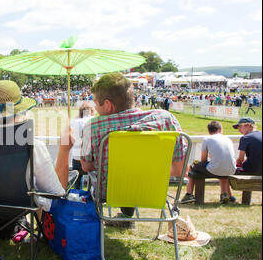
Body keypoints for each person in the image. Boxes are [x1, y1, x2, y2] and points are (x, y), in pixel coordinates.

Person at [80, 72, 186, 229]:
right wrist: (146, 170)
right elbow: (179, 169)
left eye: (96, 103)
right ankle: (127, 217)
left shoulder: (93, 127)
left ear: (108, 105)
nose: (95, 108)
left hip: (110, 193)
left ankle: (124, 217)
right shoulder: (166, 119)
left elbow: (86, 167)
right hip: (154, 191)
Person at [0, 80, 74, 238]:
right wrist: (64, 151)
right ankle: (40, 234)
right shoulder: (33, 145)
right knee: (37, 186)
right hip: (19, 204)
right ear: (20, 112)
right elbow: (56, 193)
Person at [181, 121, 236, 204]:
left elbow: (203, 159)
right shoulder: (227, 138)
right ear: (220, 129)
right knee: (222, 172)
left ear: (209, 131)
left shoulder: (207, 139)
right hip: (231, 169)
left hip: (217, 169)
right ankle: (225, 194)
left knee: (192, 167)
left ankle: (189, 194)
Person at [70, 101, 95, 189]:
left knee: (77, 180)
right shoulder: (93, 121)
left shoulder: (74, 122)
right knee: (92, 180)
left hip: (76, 156)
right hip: (90, 158)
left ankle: (78, 196)